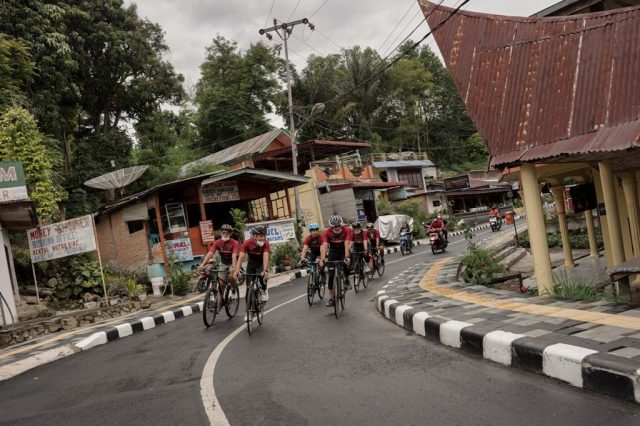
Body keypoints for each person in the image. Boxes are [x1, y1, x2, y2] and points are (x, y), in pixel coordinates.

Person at [198, 224, 239, 307]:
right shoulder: (217, 242)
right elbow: (210, 253)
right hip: (223, 263)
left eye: (227, 233)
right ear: (221, 233)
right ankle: (217, 306)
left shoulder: (235, 243)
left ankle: (234, 291)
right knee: (221, 285)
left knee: (231, 277)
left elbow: (234, 255)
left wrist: (234, 267)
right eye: (223, 232)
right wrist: (203, 264)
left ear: (230, 234)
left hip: (233, 262)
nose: (225, 234)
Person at [319, 215, 351, 307]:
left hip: (342, 250)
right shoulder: (327, 232)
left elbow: (346, 245)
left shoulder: (347, 230)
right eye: (335, 226)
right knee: (331, 276)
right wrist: (323, 258)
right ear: (331, 226)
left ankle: (346, 279)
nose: (337, 228)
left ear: (341, 225)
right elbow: (324, 245)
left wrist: (347, 257)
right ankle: (332, 299)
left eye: (338, 226)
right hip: (333, 251)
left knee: (346, 263)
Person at [234, 225, 270, 303]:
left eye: (264, 236)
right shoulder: (247, 243)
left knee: (262, 275)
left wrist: (265, 270)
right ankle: (249, 311)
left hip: (261, 263)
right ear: (255, 236)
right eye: (261, 236)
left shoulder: (266, 243)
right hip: (251, 264)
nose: (263, 238)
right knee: (248, 288)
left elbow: (266, 256)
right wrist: (237, 271)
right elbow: (241, 257)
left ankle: (263, 290)